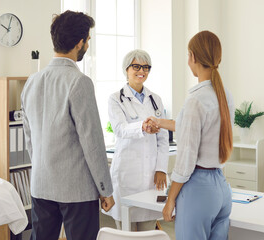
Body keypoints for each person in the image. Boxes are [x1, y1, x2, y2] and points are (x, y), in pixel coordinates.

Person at [21, 11, 114, 240]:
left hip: (41, 184)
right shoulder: (79, 82)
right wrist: (105, 189)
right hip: (77, 191)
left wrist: (43, 167)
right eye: (88, 41)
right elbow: (92, 142)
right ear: (79, 43)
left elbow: (29, 137)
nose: (88, 45)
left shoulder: (32, 81)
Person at [146, 31, 234, 240]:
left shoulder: (196, 99)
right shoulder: (223, 94)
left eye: (188, 55)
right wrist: (158, 121)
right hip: (221, 188)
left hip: (199, 190)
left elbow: (186, 161)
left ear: (193, 57)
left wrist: (170, 200)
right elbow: (191, 127)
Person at [104, 49, 169, 231]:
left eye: (146, 67)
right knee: (126, 231)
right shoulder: (115, 99)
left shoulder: (155, 99)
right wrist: (143, 126)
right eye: (136, 66)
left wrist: (161, 169)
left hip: (150, 178)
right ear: (126, 69)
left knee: (148, 231)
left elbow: (162, 139)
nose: (142, 71)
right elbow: (120, 129)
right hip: (127, 176)